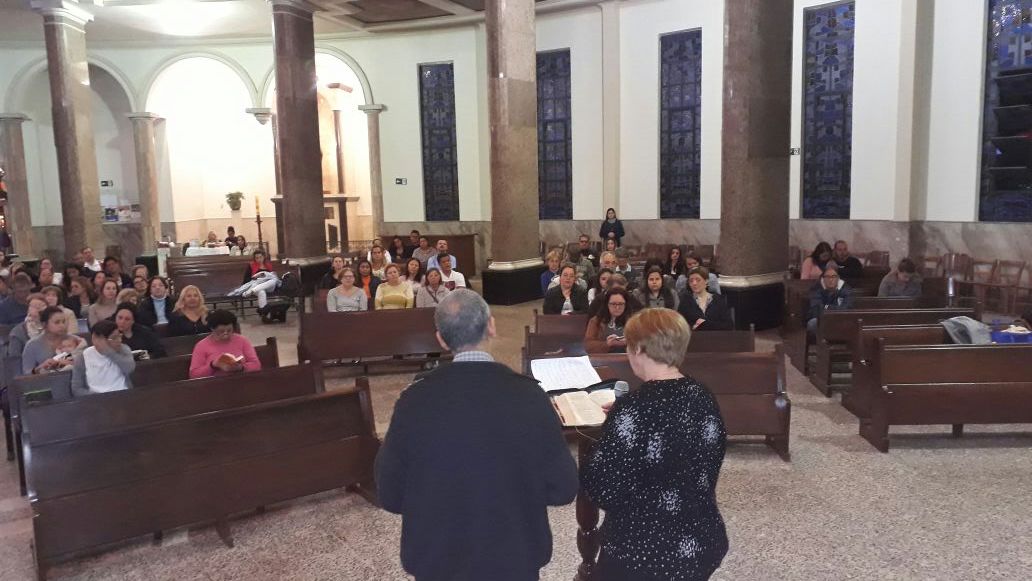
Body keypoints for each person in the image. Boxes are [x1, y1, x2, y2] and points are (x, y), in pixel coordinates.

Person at [375, 289, 578, 580]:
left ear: (441, 339)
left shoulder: (414, 401)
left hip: (438, 561)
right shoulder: (529, 396)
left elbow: (391, 494)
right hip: (513, 559)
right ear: (491, 326)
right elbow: (563, 488)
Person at [582, 308, 728, 580]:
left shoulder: (633, 409)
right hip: (701, 539)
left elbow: (604, 490)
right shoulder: (703, 396)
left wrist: (615, 429)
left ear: (638, 349)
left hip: (643, 553)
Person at [188, 309, 261, 378]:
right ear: (212, 329)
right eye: (221, 331)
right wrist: (213, 365)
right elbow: (194, 374)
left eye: (229, 330)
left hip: (241, 380)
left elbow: (256, 365)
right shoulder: (202, 346)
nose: (226, 333)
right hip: (214, 384)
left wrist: (241, 367)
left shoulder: (242, 340)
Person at [70, 319, 135, 396]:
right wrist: (99, 397)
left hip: (124, 395)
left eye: (119, 336)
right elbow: (76, 389)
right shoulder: (83, 358)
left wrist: (109, 352)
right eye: (114, 338)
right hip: (96, 399)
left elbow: (129, 368)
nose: (119, 340)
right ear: (97, 339)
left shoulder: (123, 349)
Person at [22, 306, 86, 374]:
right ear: (44, 324)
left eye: (64, 322)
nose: (62, 325)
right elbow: (27, 373)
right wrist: (41, 367)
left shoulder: (76, 340)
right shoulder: (32, 345)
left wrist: (70, 362)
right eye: (57, 322)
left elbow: (86, 364)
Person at [585, 287, 641, 353]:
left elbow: (644, 343)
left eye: (621, 304)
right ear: (607, 304)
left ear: (626, 305)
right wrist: (607, 344)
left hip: (628, 357)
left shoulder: (634, 321)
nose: (617, 307)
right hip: (604, 358)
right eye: (613, 304)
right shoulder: (596, 321)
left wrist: (629, 342)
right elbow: (588, 346)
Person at [678, 267, 734, 331]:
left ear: (706, 281)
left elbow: (729, 325)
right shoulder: (686, 300)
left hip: (716, 336)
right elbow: (679, 325)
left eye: (698, 280)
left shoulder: (718, 299)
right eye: (691, 281)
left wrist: (703, 323)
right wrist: (695, 326)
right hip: (694, 336)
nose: (694, 283)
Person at [807, 266, 855, 335]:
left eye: (833, 276)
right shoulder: (816, 289)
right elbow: (816, 309)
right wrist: (836, 308)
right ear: (823, 278)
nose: (830, 279)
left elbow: (847, 308)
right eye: (827, 277)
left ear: (838, 278)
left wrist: (826, 307)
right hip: (821, 319)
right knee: (812, 323)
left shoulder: (846, 289)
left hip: (841, 320)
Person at [5, 293, 47, 358]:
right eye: (34, 306)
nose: (38, 309)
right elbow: (14, 358)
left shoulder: (53, 327)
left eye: (41, 306)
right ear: (28, 309)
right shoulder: (18, 332)